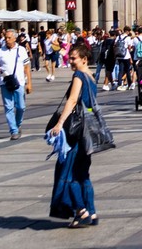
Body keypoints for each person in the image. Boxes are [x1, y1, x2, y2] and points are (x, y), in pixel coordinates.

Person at [42, 41, 100, 228]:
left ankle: (81, 211)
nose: (71, 61)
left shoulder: (79, 76)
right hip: (88, 130)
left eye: (74, 58)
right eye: (70, 58)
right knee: (84, 174)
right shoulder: (91, 77)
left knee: (70, 173)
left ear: (84, 59)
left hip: (75, 131)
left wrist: (59, 124)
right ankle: (92, 212)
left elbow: (73, 100)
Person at [0, 28, 32, 140]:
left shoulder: (21, 50)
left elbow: (27, 67)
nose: (7, 39)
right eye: (5, 37)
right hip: (4, 82)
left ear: (15, 38)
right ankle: (13, 130)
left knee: (21, 106)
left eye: (9, 38)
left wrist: (29, 83)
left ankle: (18, 123)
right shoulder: (0, 51)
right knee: (8, 107)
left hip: (19, 82)